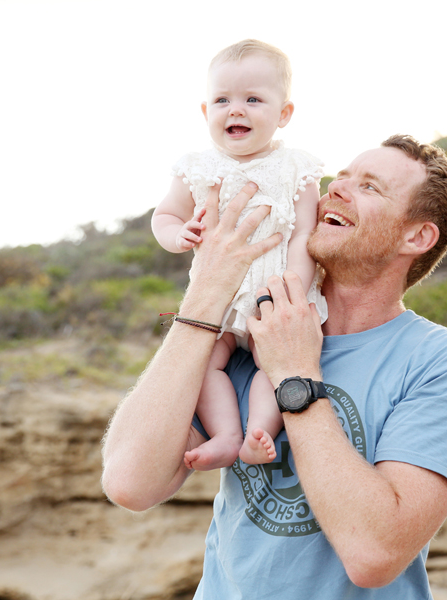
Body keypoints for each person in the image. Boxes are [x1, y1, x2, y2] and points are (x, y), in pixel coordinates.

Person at [103, 134, 447, 598]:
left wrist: (294, 373)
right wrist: (206, 293)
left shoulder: (445, 362)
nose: (336, 188)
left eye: (369, 187)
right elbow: (130, 484)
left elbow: (374, 554)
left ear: (417, 236)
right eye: (341, 177)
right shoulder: (249, 333)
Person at [151, 39, 325, 471]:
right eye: (222, 100)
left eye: (253, 99)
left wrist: (292, 288)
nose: (236, 110)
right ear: (205, 111)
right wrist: (178, 234)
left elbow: (304, 233)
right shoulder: (197, 168)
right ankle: (227, 434)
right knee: (203, 363)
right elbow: (165, 215)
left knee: (275, 362)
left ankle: (257, 432)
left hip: (275, 295)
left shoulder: (297, 168)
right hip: (219, 300)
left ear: (284, 113)